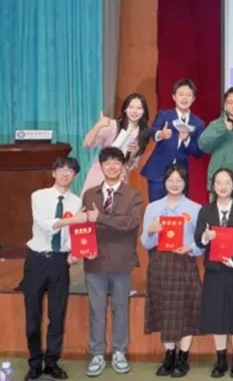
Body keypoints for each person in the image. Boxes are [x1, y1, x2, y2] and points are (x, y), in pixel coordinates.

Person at [22, 157, 86, 381]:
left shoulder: (77, 201)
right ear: (53, 173)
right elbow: (46, 224)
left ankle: (51, 362)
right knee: (33, 317)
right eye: (61, 169)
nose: (65, 173)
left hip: (60, 262)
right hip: (36, 260)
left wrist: (74, 252)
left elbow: (75, 234)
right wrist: (74, 220)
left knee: (57, 315)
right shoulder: (39, 196)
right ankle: (34, 363)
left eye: (70, 170)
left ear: (75, 176)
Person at [82, 147, 145, 377]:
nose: (111, 166)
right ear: (100, 166)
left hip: (121, 261)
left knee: (120, 309)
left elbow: (130, 224)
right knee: (96, 311)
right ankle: (97, 354)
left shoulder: (133, 195)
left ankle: (119, 352)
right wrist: (80, 249)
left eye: (116, 162)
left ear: (123, 166)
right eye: (107, 162)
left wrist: (100, 218)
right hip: (94, 261)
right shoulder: (89, 194)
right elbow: (84, 227)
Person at [140, 165, 203, 377]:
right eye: (170, 180)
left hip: (185, 263)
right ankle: (169, 356)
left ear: (185, 182)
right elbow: (145, 243)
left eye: (179, 180)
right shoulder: (153, 207)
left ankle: (183, 358)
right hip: (160, 263)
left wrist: (191, 248)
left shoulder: (195, 208)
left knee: (186, 310)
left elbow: (202, 244)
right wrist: (151, 231)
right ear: (164, 182)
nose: (175, 184)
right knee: (164, 310)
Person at [194, 168, 233, 378]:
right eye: (218, 182)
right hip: (214, 270)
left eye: (227, 182)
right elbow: (198, 240)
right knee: (216, 313)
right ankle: (220, 359)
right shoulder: (206, 211)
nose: (222, 186)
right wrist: (205, 237)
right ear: (213, 185)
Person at [140, 78, 206, 201]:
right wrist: (161, 134)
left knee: (179, 209)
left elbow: (198, 152)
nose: (184, 98)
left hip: (181, 176)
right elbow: (153, 131)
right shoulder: (164, 115)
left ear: (193, 99)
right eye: (181, 94)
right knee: (156, 207)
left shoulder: (198, 123)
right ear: (174, 97)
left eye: (188, 95)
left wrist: (187, 140)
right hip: (158, 172)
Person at [81, 92, 150, 194]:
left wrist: (129, 158)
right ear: (125, 109)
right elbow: (87, 144)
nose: (134, 111)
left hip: (119, 179)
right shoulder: (113, 125)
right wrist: (98, 126)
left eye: (139, 108)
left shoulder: (142, 134)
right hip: (100, 175)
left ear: (144, 111)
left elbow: (133, 163)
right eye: (131, 107)